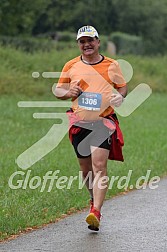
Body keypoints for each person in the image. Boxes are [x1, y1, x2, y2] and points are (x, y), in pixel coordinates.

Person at [55, 25, 127, 231]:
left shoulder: (112, 65)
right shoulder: (71, 65)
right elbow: (58, 89)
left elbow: (122, 86)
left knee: (99, 165)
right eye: (82, 41)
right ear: (78, 44)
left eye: (90, 40)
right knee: (85, 169)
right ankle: (92, 198)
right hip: (79, 123)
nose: (86, 44)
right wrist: (69, 91)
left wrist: (120, 96)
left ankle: (96, 211)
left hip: (104, 121)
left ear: (98, 42)